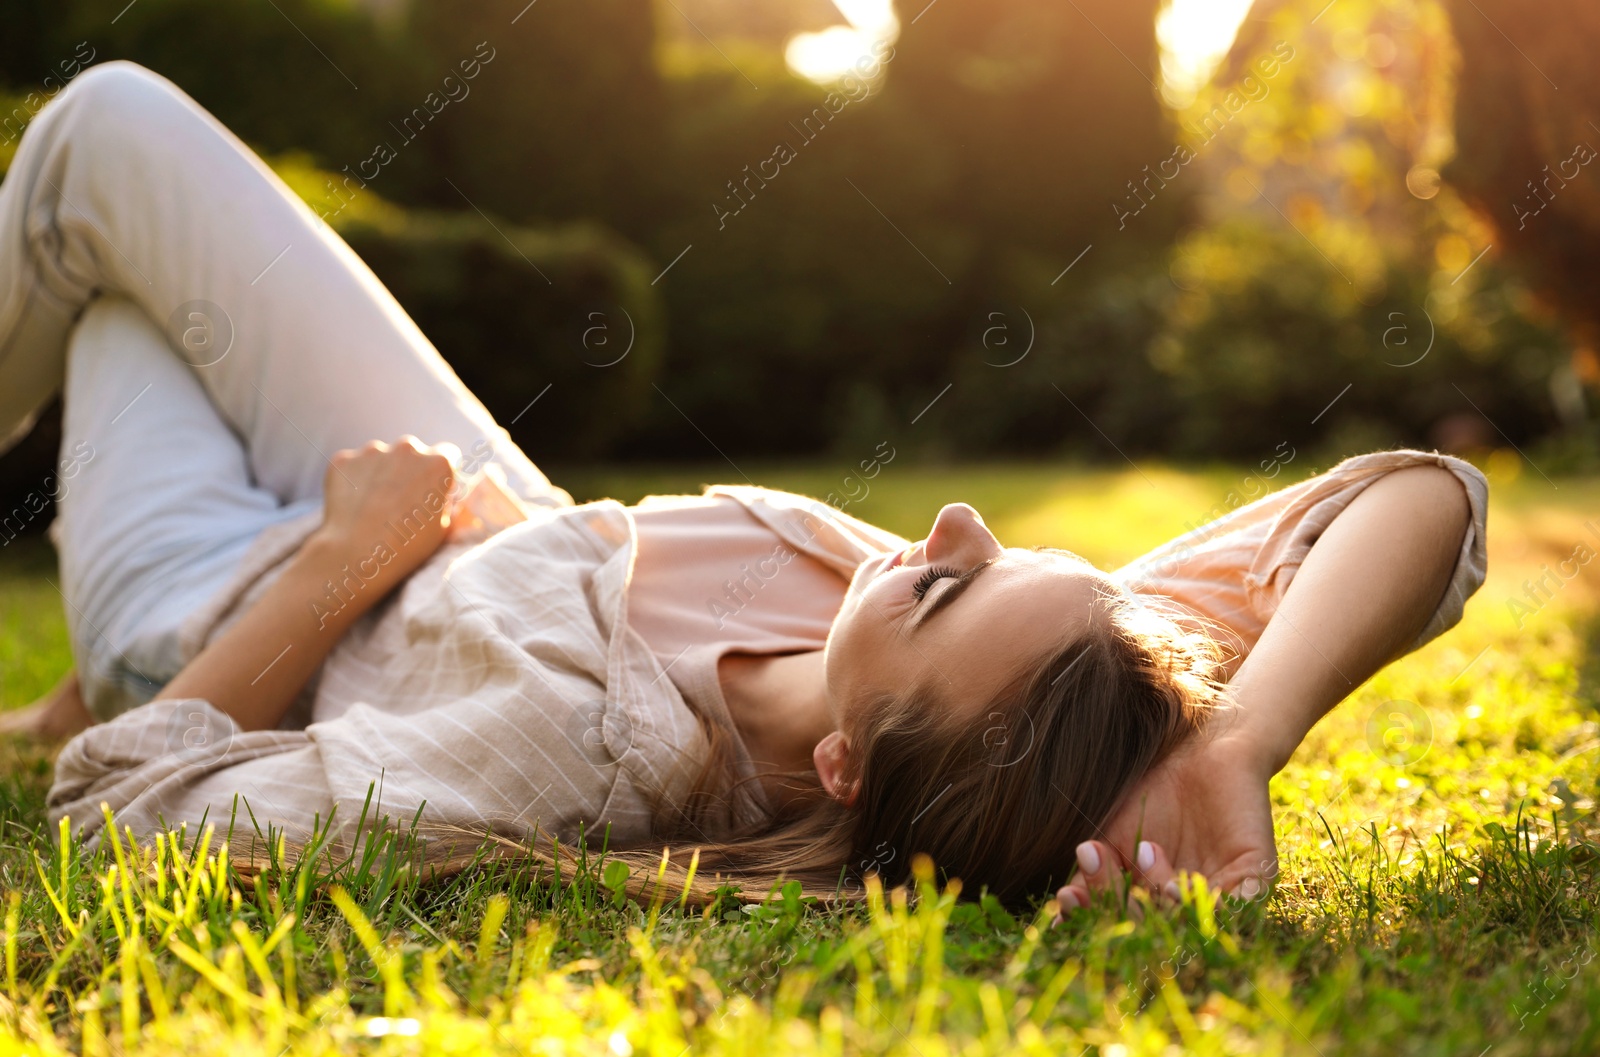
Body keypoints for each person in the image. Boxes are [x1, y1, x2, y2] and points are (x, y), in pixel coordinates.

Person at [0, 62, 1487, 910]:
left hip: (256, 582)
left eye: (936, 584)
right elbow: (1418, 499)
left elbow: (120, 816)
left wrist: (344, 557)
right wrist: (1241, 739)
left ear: (842, 768)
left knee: (96, 181)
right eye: (996, 547)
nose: (947, 526)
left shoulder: (564, 756)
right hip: (476, 514)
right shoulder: (1042, 668)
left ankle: (98, 672)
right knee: (121, 159)